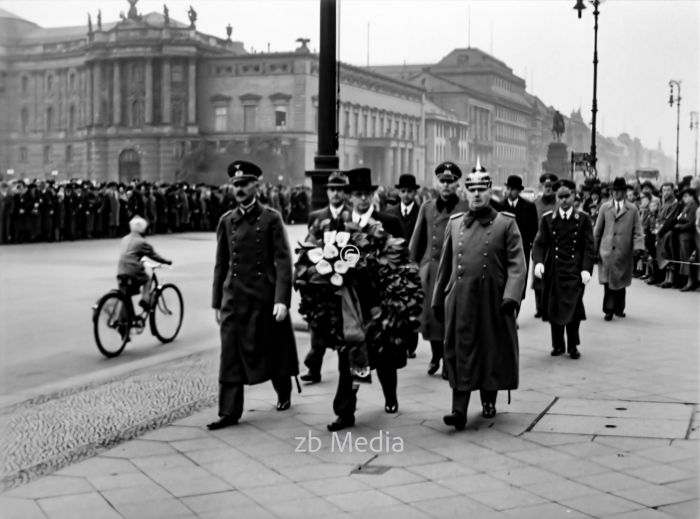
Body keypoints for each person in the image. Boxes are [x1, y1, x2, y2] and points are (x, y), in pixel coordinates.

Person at [431, 163, 526, 430]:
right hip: (461, 301)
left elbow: (517, 264)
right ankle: (458, 411)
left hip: (493, 300)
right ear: (465, 192)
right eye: (471, 190)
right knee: (460, 352)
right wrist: (439, 299)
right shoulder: (456, 223)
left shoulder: (506, 223)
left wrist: (511, 296)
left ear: (490, 192)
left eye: (481, 190)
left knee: (490, 350)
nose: (476, 195)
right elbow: (445, 267)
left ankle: (488, 400)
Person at [209, 160, 299, 430]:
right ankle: (229, 412)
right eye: (235, 184)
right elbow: (221, 264)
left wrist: (282, 300)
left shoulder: (271, 219)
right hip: (233, 300)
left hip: (263, 297)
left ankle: (283, 390)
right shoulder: (227, 221)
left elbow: (283, 261)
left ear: (256, 186)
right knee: (230, 354)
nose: (239, 188)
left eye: (244, 183)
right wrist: (216, 302)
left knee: (273, 349)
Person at [327, 167, 403, 432]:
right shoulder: (339, 225)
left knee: (383, 355)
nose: (362, 199)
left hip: (378, 301)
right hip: (350, 302)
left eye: (366, 194)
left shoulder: (388, 222)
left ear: (373, 195)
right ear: (350, 197)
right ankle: (345, 412)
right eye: (357, 195)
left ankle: (390, 396)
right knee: (349, 356)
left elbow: (400, 263)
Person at [409, 161, 469, 379]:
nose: (446, 185)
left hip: (455, 269)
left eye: (450, 181)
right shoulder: (427, 207)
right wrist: (412, 267)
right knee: (432, 319)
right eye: (442, 181)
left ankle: (448, 360)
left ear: (457, 184)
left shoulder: (465, 207)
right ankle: (436, 355)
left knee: (451, 317)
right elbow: (417, 241)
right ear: (437, 183)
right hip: (431, 270)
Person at [532, 179, 595, 359]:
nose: (564, 200)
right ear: (556, 198)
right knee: (555, 307)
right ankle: (557, 344)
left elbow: (589, 247)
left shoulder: (583, 219)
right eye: (560, 196)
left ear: (574, 196)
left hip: (574, 271)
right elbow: (539, 244)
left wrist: (586, 269)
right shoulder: (548, 220)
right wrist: (538, 262)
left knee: (574, 308)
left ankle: (573, 345)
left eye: (568, 196)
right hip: (554, 269)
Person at [299, 171, 353, 384]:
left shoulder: (352, 215)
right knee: (318, 324)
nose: (336, 194)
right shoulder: (317, 216)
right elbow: (309, 246)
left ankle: (347, 368)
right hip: (322, 282)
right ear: (327, 192)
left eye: (340, 190)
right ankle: (314, 366)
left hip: (345, 280)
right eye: (333, 189)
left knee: (343, 326)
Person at [593, 177, 645, 321]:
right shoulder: (605, 207)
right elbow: (598, 229)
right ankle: (608, 310)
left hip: (624, 251)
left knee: (621, 282)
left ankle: (619, 308)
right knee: (608, 283)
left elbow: (638, 230)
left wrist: (638, 248)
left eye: (620, 191)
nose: (616, 193)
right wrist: (594, 249)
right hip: (607, 251)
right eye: (614, 191)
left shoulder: (632, 209)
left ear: (624, 192)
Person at [386, 173, 421, 357]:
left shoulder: (420, 212)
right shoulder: (390, 213)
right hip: (394, 264)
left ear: (415, 193)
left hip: (414, 264)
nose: (406, 195)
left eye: (410, 192)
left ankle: (411, 344)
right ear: (399, 192)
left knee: (413, 304)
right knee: (396, 304)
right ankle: (399, 339)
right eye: (403, 191)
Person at [495, 175, 538, 312]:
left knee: (519, 280)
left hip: (522, 248)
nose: (509, 191)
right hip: (502, 249)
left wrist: (529, 244)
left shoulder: (528, 207)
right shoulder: (500, 206)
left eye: (512, 189)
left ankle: (516, 312)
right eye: (508, 188)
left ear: (518, 191)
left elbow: (534, 229)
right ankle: (507, 310)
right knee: (504, 278)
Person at [117, 215, 172, 320]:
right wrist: (166, 262)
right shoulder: (142, 242)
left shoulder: (124, 239)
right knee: (147, 280)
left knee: (125, 294)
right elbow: (154, 256)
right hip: (133, 270)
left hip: (121, 270)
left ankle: (125, 321)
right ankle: (145, 299)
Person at [532, 173, 558, 317]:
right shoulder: (535, 204)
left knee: (553, 276)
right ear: (542, 187)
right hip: (539, 244)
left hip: (555, 245)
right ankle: (539, 307)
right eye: (546, 186)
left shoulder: (559, 204)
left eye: (551, 187)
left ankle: (550, 306)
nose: (548, 189)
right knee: (538, 275)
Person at [674, 187, 699, 291]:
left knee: (688, 259)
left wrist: (680, 226)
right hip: (682, 235)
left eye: (686, 196)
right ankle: (688, 281)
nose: (684, 198)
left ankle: (690, 282)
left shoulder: (692, 206)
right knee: (684, 259)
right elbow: (680, 218)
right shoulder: (686, 206)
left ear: (692, 197)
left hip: (687, 236)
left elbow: (691, 223)